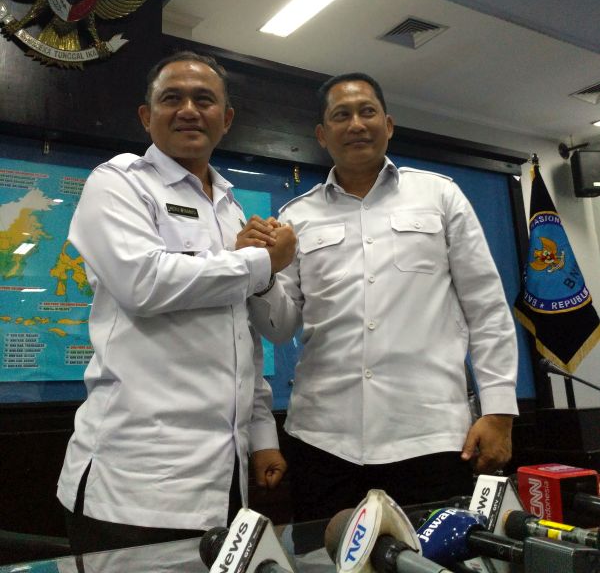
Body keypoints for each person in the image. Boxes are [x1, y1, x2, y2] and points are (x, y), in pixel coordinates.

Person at [249, 72, 519, 521]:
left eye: (367, 112)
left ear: (388, 125)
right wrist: (262, 274)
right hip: (323, 441)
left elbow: (487, 309)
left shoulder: (440, 196)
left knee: (433, 556)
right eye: (341, 115)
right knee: (327, 555)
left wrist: (500, 411)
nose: (356, 124)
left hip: (429, 437)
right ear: (322, 135)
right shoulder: (297, 216)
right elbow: (280, 328)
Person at [57, 51, 296, 552]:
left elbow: (247, 341)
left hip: (228, 479)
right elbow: (143, 283)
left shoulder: (232, 210)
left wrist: (262, 436)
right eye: (172, 98)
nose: (189, 110)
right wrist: (261, 263)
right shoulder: (119, 182)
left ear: (226, 120)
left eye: (204, 99)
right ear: (147, 116)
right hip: (135, 487)